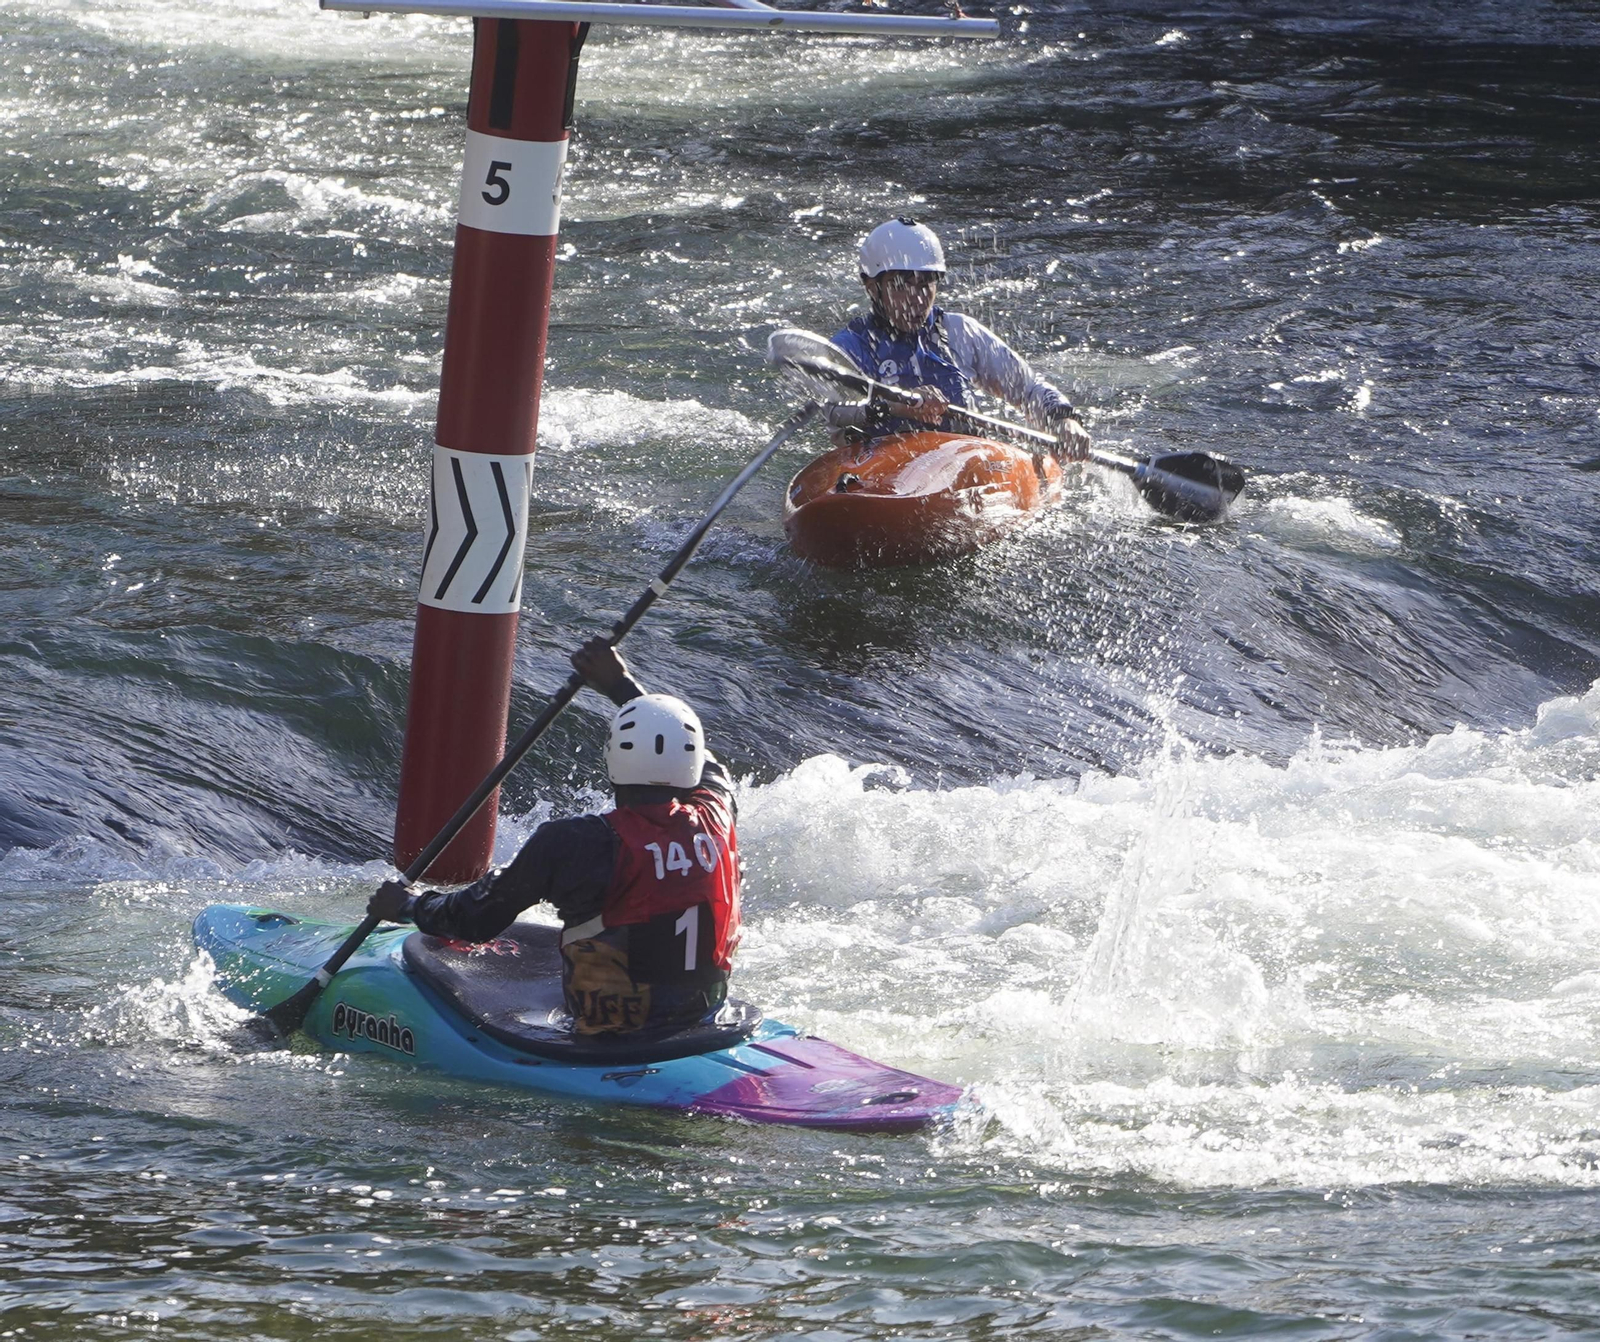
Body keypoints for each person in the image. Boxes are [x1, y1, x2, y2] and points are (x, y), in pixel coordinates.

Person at [367, 639, 741, 1037]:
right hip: (704, 1020)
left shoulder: (577, 841)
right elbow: (709, 766)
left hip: (613, 1031)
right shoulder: (717, 816)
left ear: (613, 757)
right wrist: (621, 685)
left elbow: (476, 918)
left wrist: (410, 906)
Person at [827, 216, 1091, 459]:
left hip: (962, 465)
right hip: (881, 471)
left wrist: (1064, 420)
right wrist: (895, 405)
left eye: (925, 284)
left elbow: (1029, 388)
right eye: (902, 285)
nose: (917, 299)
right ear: (873, 288)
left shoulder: (958, 332)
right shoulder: (848, 347)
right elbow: (834, 412)